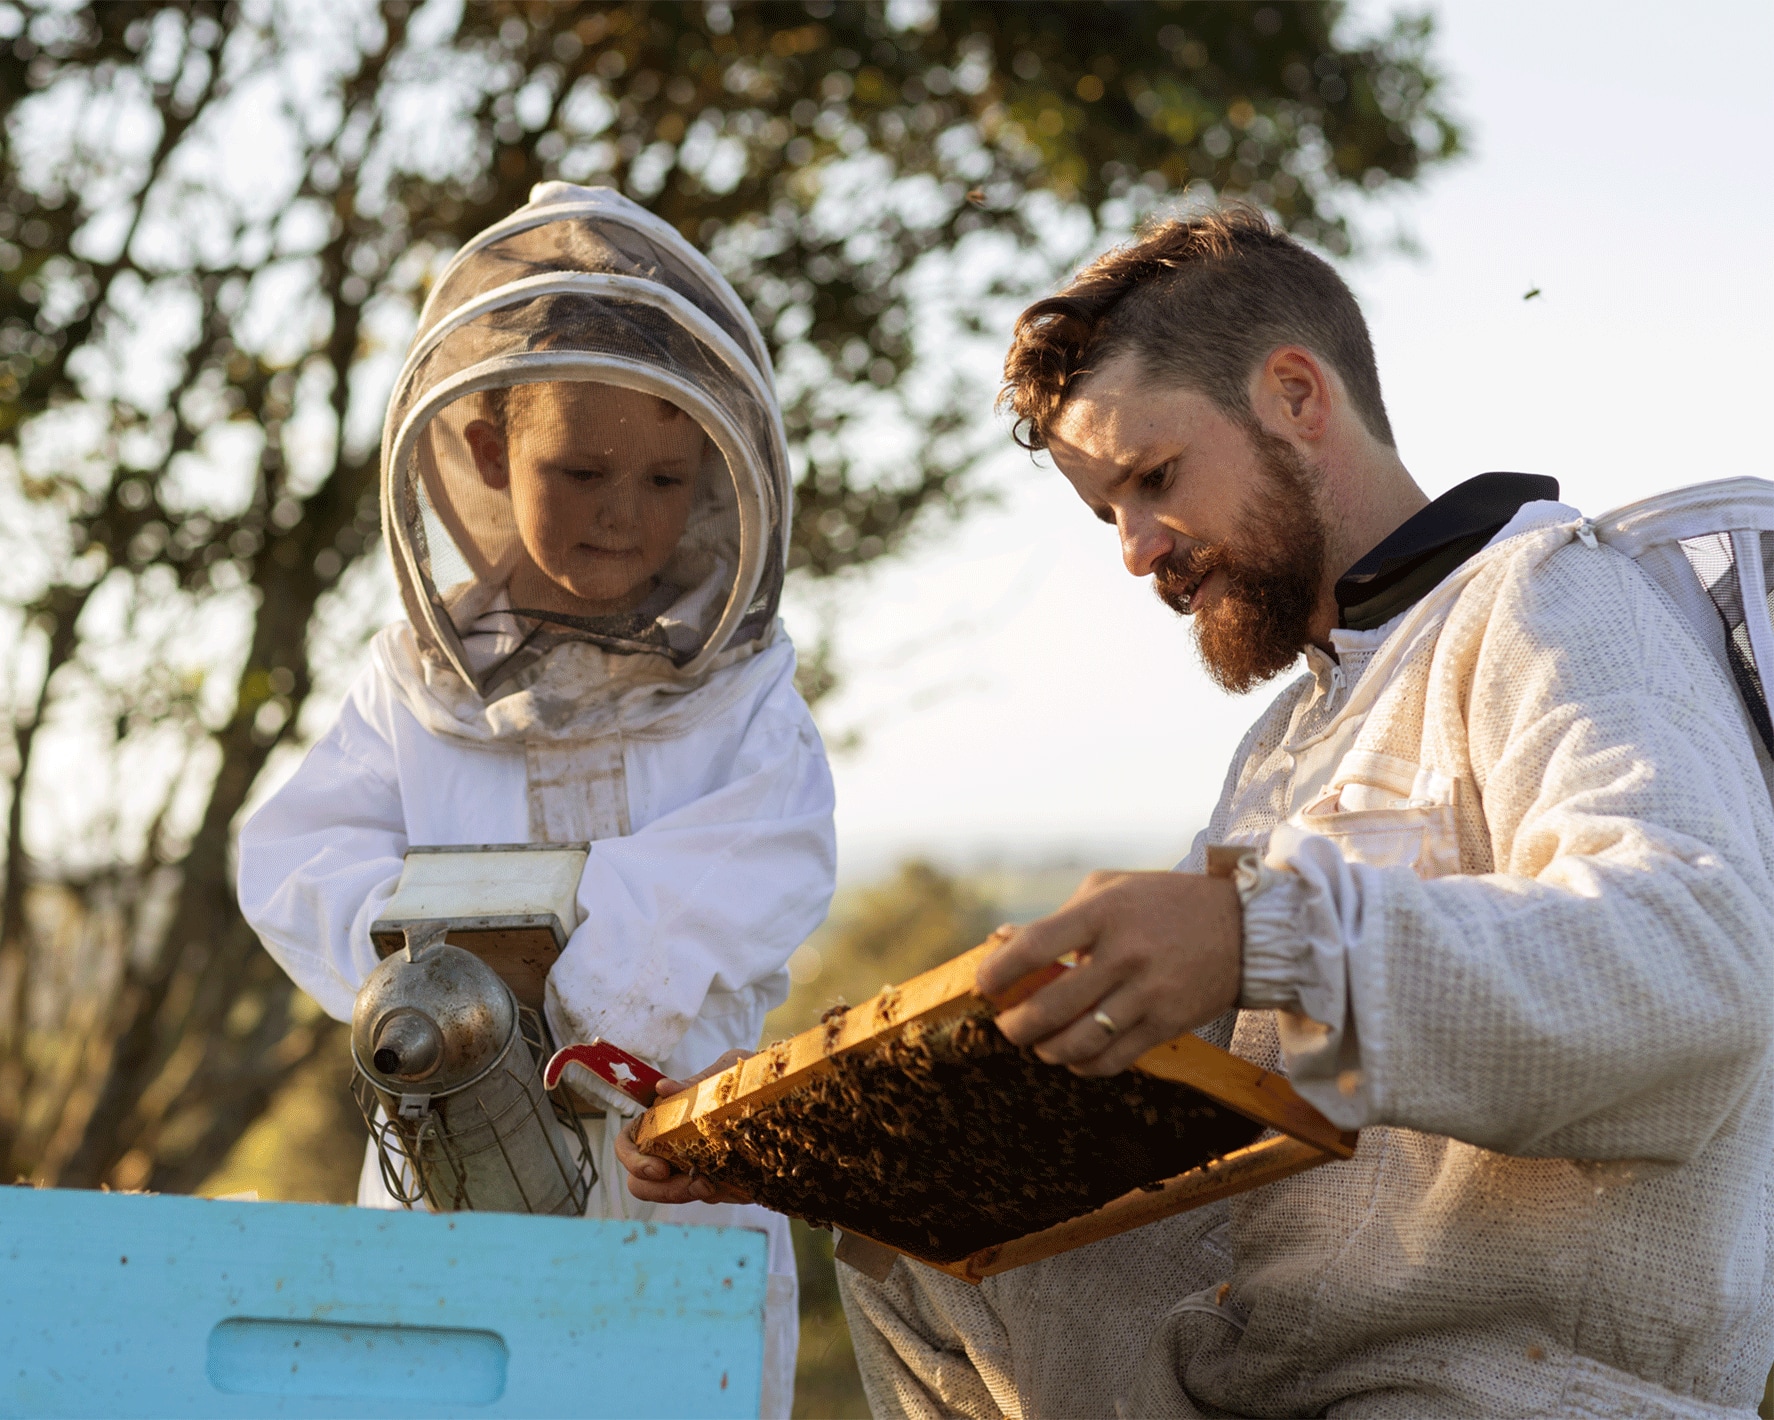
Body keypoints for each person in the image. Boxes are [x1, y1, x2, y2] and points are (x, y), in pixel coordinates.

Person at [821, 207, 1774, 1417]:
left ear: (1293, 396)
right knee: (916, 1245)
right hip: (1288, 1384)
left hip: (1521, 1395)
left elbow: (1696, 966)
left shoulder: (1557, 602)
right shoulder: (1286, 742)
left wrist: (1251, 934)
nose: (1132, 551)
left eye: (1153, 479)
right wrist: (884, 1106)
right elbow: (1224, 1099)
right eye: (1105, 509)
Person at [236, 183, 835, 1419]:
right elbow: (294, 849)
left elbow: (772, 850)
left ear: (720, 471)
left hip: (682, 1146)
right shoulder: (416, 674)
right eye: (583, 466)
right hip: (451, 1147)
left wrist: (574, 966)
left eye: (669, 477)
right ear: (485, 448)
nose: (627, 508)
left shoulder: (741, 691)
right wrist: (440, 978)